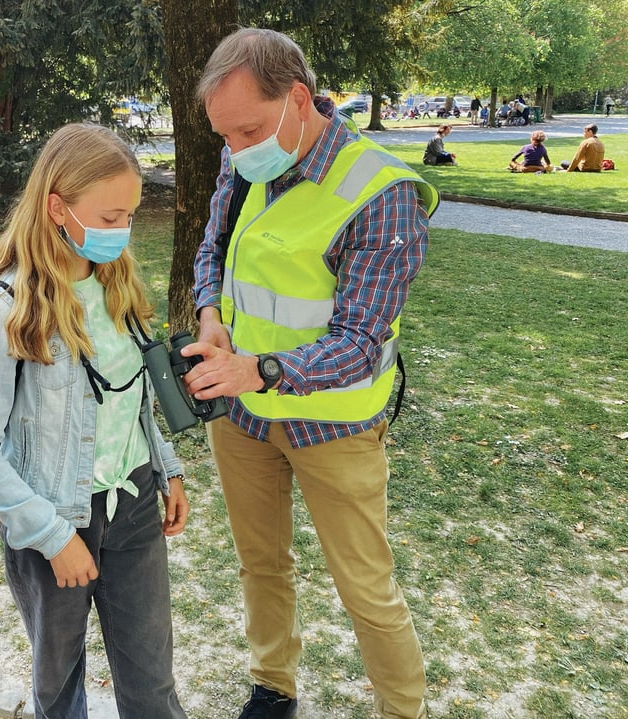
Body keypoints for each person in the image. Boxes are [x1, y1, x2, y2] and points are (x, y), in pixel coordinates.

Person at [186, 27, 438, 719]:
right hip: (243, 416)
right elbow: (213, 248)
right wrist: (210, 312)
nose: (236, 151)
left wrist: (258, 369)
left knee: (365, 585)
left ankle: (402, 708)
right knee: (260, 563)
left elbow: (359, 340)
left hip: (336, 423)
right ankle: (274, 683)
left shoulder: (382, 192)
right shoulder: (242, 155)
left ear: (299, 99)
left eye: (248, 130)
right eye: (225, 137)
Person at [0, 123, 190, 719]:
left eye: (130, 216)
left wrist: (168, 468)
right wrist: (55, 539)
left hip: (133, 503)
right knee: (59, 690)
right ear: (57, 206)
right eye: (109, 218)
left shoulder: (118, 286)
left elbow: (128, 398)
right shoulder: (3, 310)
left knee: (152, 681)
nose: (122, 232)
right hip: (51, 518)